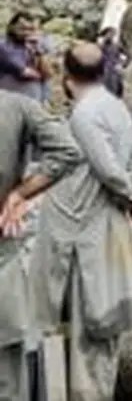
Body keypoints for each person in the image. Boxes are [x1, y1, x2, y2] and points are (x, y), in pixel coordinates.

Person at [17, 42, 132, 401]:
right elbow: (130, 161)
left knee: (87, 329)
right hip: (104, 225)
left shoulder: (83, 114)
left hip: (84, 232)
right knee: (99, 328)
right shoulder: (117, 107)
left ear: (66, 74)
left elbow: (107, 167)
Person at [0, 91, 83, 401]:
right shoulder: (18, 106)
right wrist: (20, 194)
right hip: (2, 247)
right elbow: (67, 152)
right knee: (7, 370)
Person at [0, 12, 47, 100]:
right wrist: (39, 75)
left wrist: (38, 51)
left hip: (33, 101)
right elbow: (24, 73)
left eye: (31, 29)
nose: (27, 33)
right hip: (10, 101)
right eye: (23, 29)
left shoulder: (37, 45)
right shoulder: (3, 47)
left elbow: (47, 74)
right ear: (12, 27)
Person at [98, 27, 126, 99]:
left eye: (113, 34)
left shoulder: (117, 46)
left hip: (114, 70)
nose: (111, 36)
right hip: (103, 69)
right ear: (105, 34)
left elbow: (128, 55)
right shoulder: (99, 46)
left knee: (115, 88)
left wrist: (122, 64)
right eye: (109, 34)